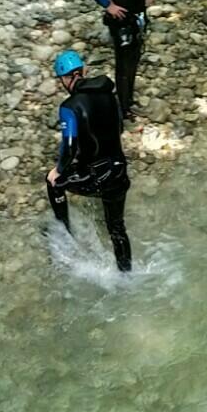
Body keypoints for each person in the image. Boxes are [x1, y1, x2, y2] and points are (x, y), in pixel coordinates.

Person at [46, 50, 132, 272]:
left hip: (95, 177)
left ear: (65, 79)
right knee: (117, 228)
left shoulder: (69, 107)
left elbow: (70, 147)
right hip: (119, 172)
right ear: (83, 71)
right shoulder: (110, 95)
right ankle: (126, 274)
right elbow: (119, 128)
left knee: (52, 182)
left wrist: (58, 171)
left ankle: (63, 233)